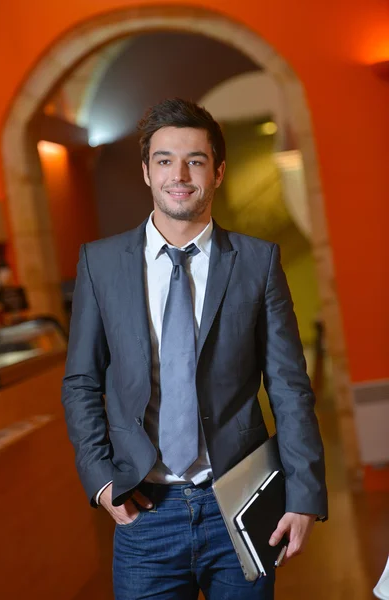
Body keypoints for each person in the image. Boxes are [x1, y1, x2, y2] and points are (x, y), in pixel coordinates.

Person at [62, 98, 328, 600]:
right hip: (144, 511)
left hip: (241, 503)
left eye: (195, 160)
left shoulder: (257, 262)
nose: (178, 175)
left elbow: (290, 387)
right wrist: (99, 479)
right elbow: (81, 381)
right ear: (146, 171)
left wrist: (305, 492)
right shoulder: (100, 264)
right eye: (164, 160)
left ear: (218, 171)